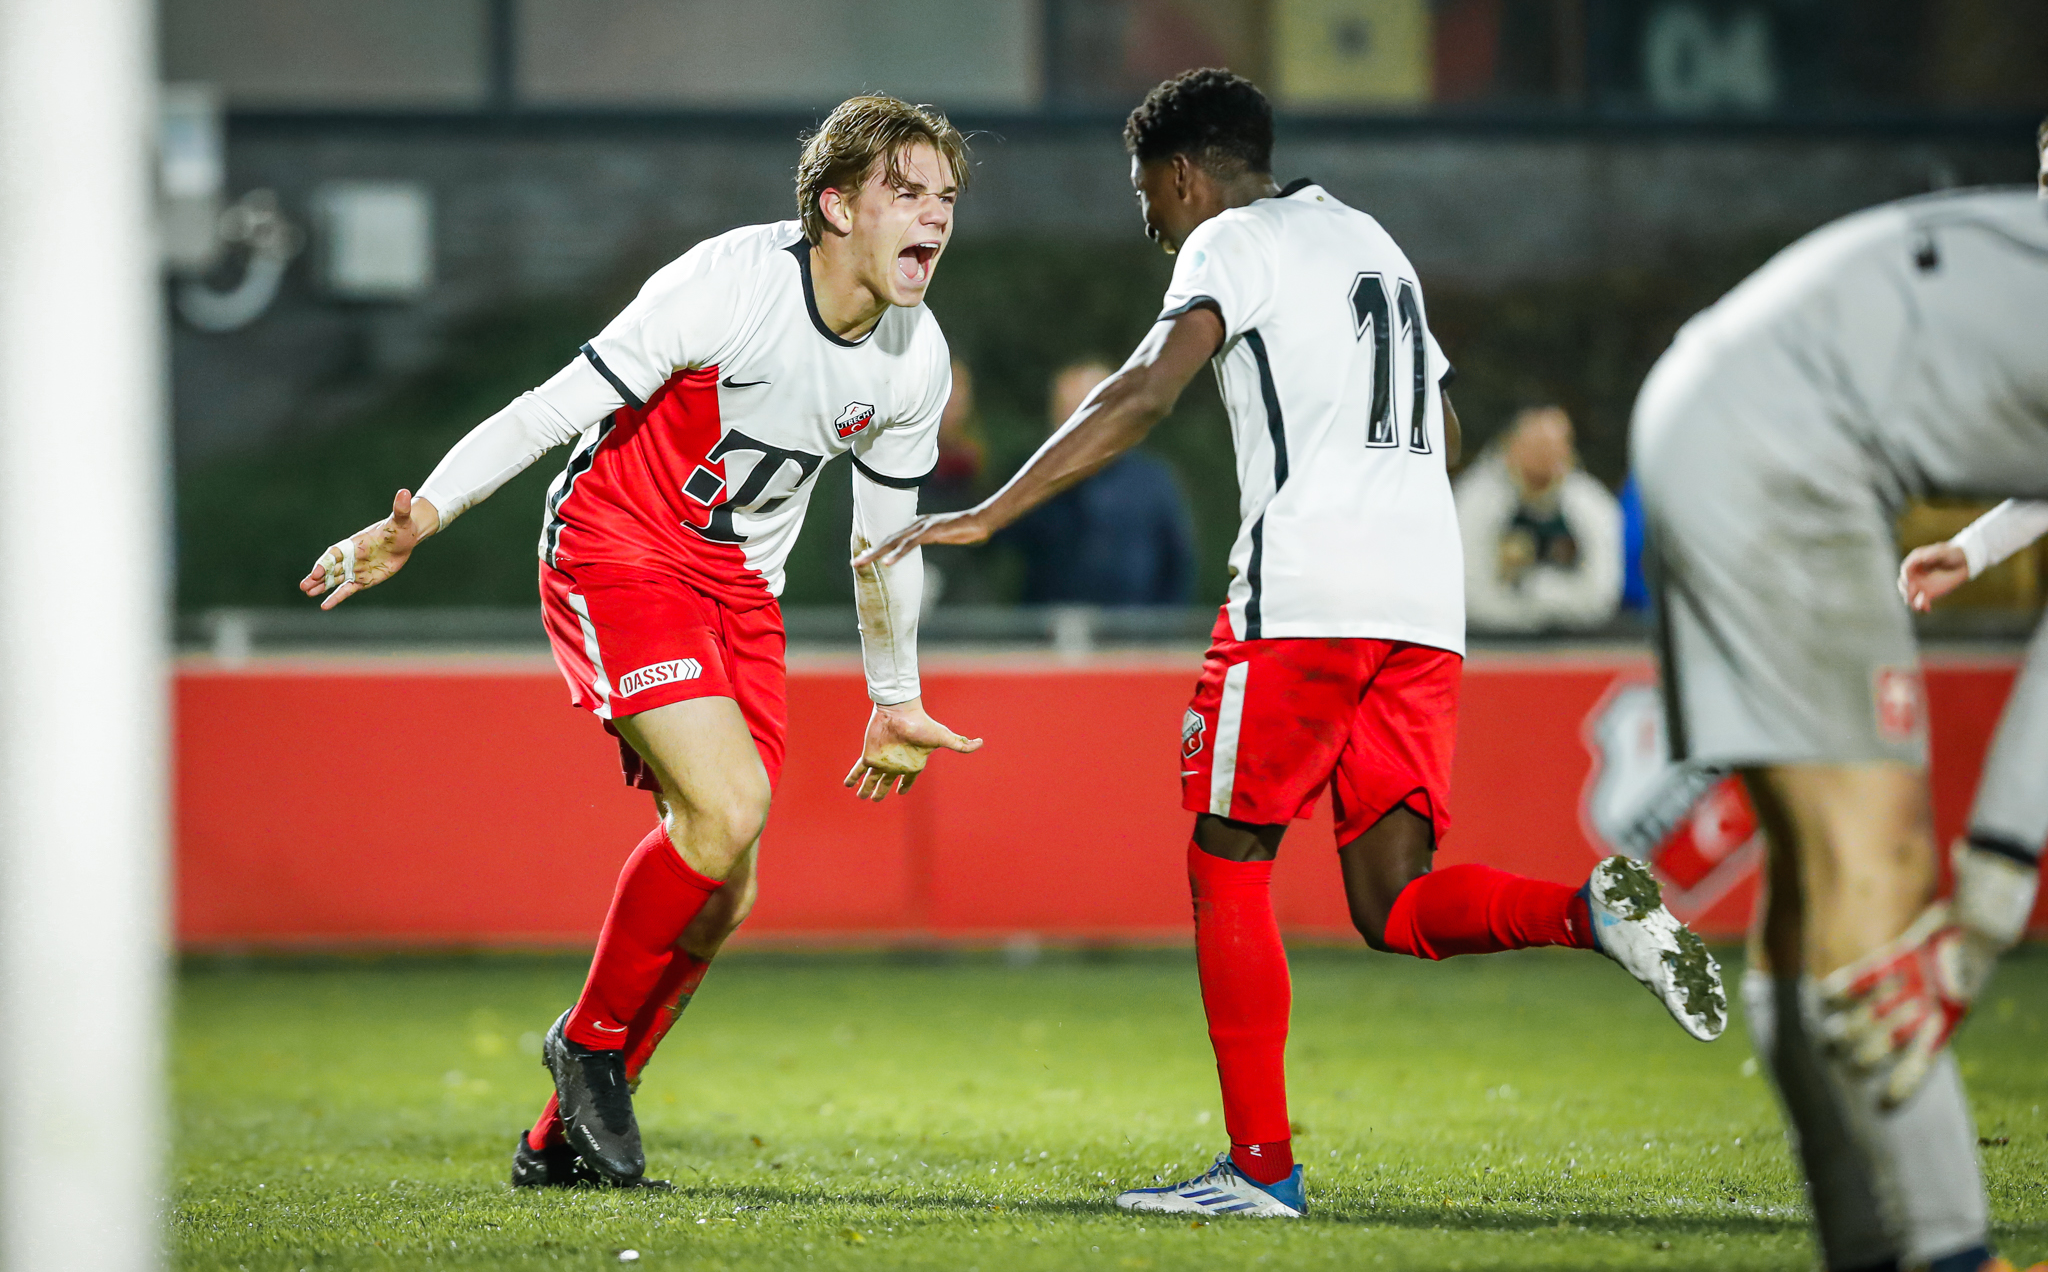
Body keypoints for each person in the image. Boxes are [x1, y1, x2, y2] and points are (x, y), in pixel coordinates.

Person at [859, 67, 1726, 1220]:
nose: (1148, 219)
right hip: (1422, 608)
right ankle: (1592, 914)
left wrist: (988, 509)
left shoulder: (1224, 244)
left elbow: (1141, 391)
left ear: (1180, 175)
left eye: (1144, 193)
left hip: (1306, 596)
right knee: (1393, 906)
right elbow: (1444, 419)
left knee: (1226, 857)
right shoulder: (1374, 244)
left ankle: (1259, 1170)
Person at [299, 94, 984, 1189]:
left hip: (737, 589)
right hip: (616, 547)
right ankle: (588, 1044)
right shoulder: (729, 283)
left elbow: (883, 545)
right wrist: (420, 517)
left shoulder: (914, 358)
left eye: (946, 199)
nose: (935, 219)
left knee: (727, 887)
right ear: (834, 205)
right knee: (727, 811)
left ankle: (555, 1140)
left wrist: (892, 694)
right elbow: (547, 408)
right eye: (907, 192)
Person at [1631, 139, 2048, 1272]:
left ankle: (1871, 1248)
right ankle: (1947, 1254)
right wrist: (1996, 890)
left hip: (1698, 406)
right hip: (1783, 452)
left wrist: (1973, 541)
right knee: (1879, 871)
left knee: (1812, 876)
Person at [1006, 358, 1195, 605]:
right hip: (1052, 633)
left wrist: (1163, 632)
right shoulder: (1029, 481)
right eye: (1068, 411)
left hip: (1136, 633)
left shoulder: (1152, 482)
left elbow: (1178, 566)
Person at [1456, 404, 1623, 632]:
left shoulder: (1592, 505)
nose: (1548, 456)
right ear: (1511, 445)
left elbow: (1601, 597)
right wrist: (1528, 613)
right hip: (1491, 645)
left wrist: (1546, 596)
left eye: (1557, 446)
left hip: (1576, 643)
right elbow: (1470, 596)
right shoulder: (1474, 501)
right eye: (1538, 446)